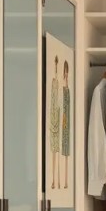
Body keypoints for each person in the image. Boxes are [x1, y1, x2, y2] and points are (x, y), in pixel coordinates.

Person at [49, 55, 61, 188]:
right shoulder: (54, 87)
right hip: (54, 121)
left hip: (57, 120)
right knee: (54, 149)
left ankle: (56, 180)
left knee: (57, 150)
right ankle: (54, 180)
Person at [61, 60, 71, 189]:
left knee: (66, 149)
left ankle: (65, 181)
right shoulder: (62, 91)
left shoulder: (67, 92)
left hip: (65, 123)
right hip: (62, 122)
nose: (66, 76)